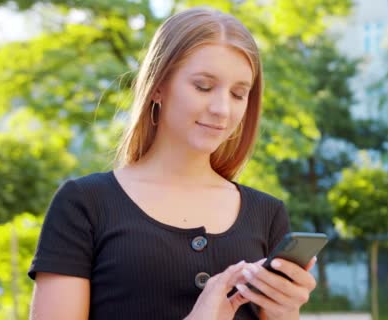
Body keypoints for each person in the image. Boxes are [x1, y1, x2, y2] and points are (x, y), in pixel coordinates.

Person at [27, 6, 318, 320]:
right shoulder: (84, 205)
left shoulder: (267, 214)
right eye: (203, 86)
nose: (222, 108)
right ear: (157, 88)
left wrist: (284, 312)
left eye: (238, 93)